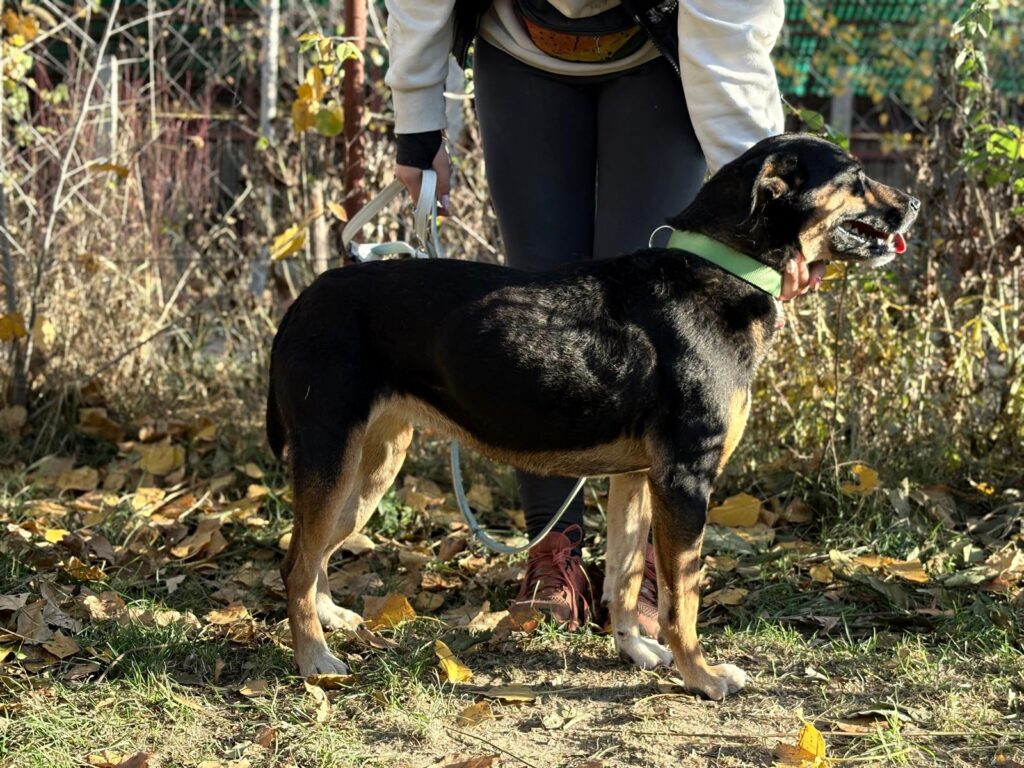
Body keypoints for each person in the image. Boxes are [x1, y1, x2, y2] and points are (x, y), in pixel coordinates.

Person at [384, 0, 825, 633]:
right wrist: (418, 121)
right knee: (536, 312)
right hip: (521, 46)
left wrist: (771, 225)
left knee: (652, 319)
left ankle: (640, 573)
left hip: (659, 54)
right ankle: (551, 552)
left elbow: (730, 35)